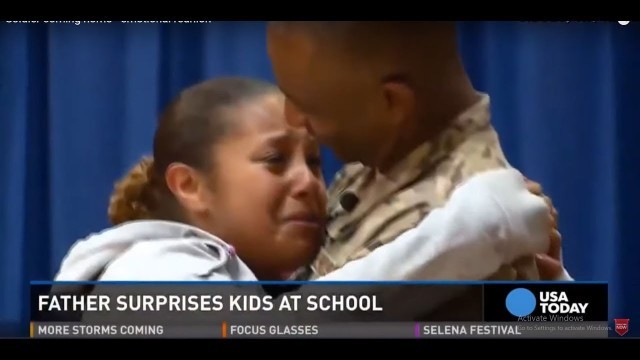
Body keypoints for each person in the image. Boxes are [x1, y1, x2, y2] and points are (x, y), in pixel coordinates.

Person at [54, 77, 552, 319]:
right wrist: (482, 227)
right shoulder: (142, 270)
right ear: (190, 186)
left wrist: (542, 301)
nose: (308, 184)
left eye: (314, 163)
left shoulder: (273, 289)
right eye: (275, 160)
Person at [266, 21, 572, 282]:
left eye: (309, 105)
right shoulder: (375, 162)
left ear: (391, 103)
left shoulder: (465, 238)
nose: (293, 119)